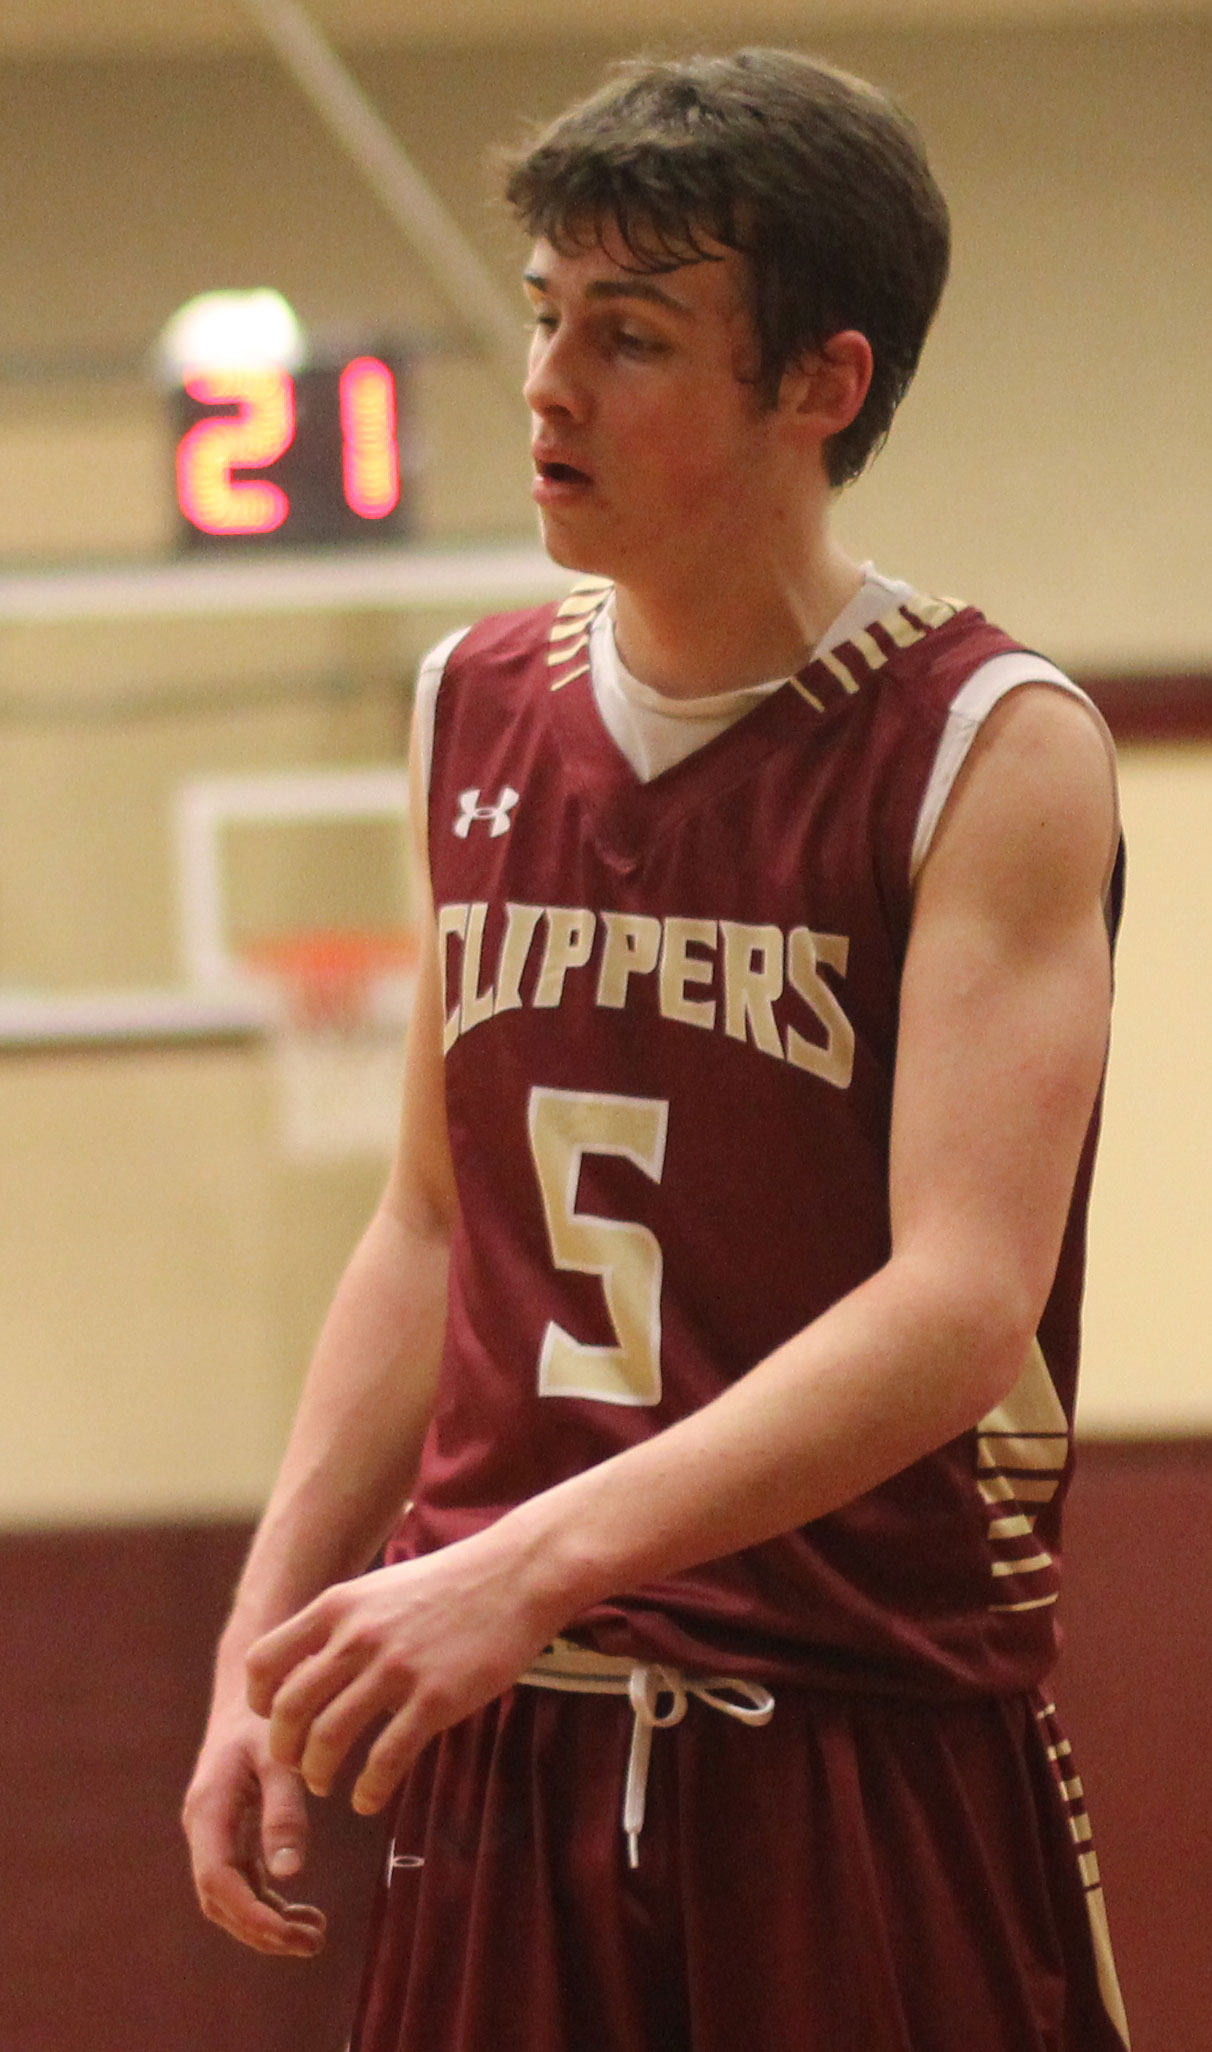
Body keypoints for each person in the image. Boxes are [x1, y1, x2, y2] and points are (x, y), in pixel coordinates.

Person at [183, 48, 1130, 2052]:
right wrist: (265, 1636)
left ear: (820, 383)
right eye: (545, 317)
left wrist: (524, 1565)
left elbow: (965, 1300)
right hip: (509, 1740)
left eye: (627, 338)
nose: (546, 385)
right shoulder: (471, 704)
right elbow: (431, 1223)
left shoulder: (989, 744)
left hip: (848, 1727)